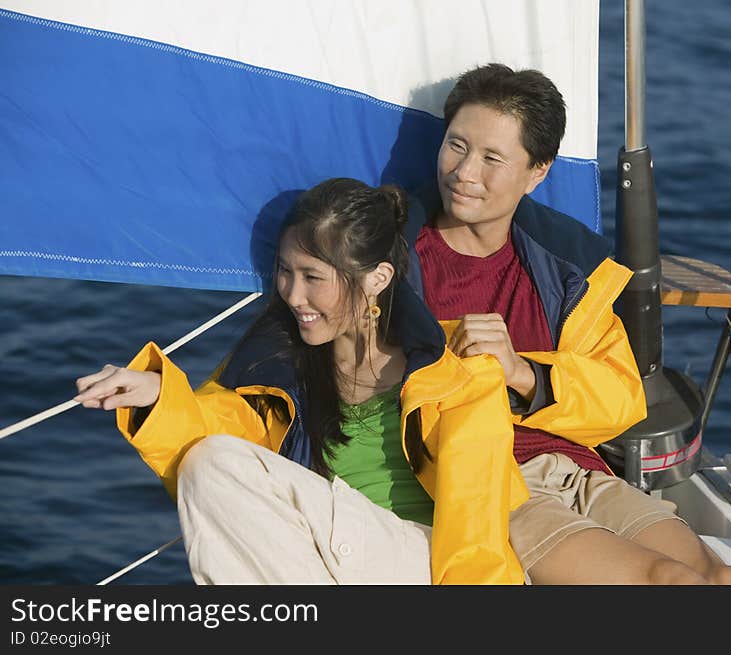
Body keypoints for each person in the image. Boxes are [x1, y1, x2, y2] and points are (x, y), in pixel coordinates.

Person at [74, 177, 529, 585]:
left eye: (313, 277)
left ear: (377, 279)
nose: (293, 295)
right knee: (207, 461)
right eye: (286, 272)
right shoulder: (274, 365)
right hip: (319, 564)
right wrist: (158, 396)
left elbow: (476, 526)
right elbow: (226, 442)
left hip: (425, 564)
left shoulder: (459, 374)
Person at [405, 63, 731, 584]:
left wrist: (525, 374)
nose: (464, 173)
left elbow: (620, 398)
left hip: (578, 469)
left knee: (718, 574)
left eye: (492, 158)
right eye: (456, 145)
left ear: (538, 171)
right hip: (492, 480)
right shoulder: (396, 258)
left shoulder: (566, 265)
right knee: (671, 581)